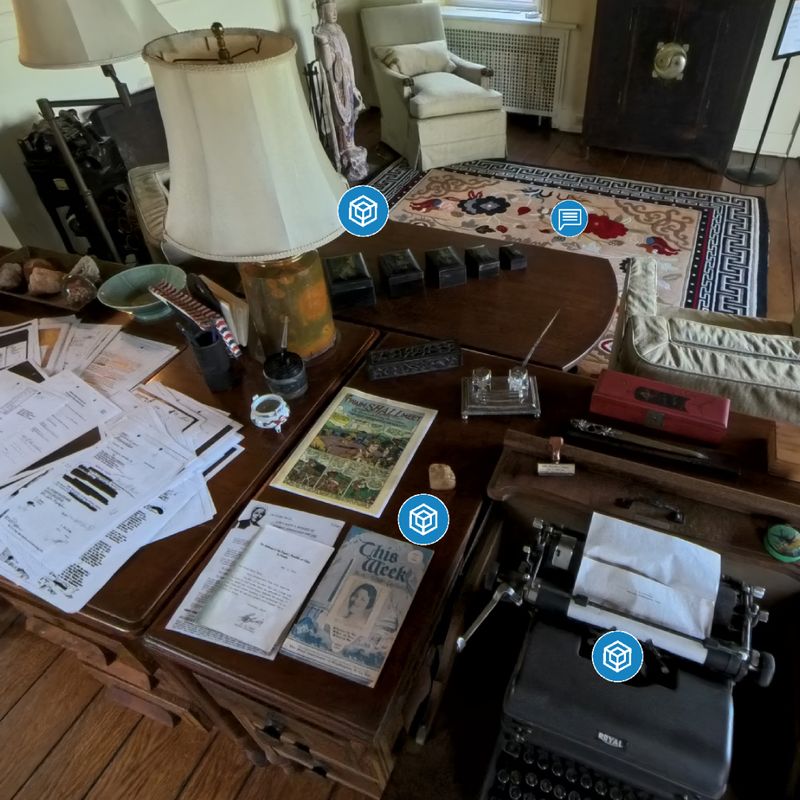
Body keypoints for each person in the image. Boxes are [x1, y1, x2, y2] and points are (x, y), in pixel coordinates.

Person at [313, 0, 368, 181]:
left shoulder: (339, 29)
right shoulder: (322, 33)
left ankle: (351, 145)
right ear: (322, 11)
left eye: (335, 8)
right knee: (341, 118)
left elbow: (349, 59)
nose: (334, 12)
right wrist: (324, 44)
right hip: (337, 84)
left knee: (353, 113)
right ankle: (345, 148)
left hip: (348, 80)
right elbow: (327, 66)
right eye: (330, 9)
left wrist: (354, 84)